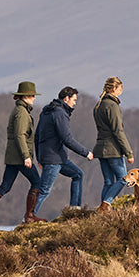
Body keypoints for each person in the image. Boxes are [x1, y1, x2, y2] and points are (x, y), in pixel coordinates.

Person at [0, 81, 44, 229]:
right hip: (19, 156)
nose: (34, 98)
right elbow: (19, 135)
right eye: (32, 95)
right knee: (37, 182)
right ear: (25, 96)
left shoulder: (19, 110)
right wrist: (26, 156)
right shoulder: (22, 113)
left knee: (5, 186)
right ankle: (29, 217)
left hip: (13, 156)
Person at [34, 86, 94, 217]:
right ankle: (27, 217)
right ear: (66, 98)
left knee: (78, 175)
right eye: (74, 100)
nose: (75, 103)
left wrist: (39, 157)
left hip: (58, 158)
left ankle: (74, 211)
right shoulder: (60, 113)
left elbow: (37, 136)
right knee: (44, 190)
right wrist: (86, 153)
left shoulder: (47, 111)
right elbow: (67, 139)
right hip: (53, 158)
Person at [92, 76, 134, 211]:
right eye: (120, 89)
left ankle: (102, 211)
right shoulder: (112, 106)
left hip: (100, 148)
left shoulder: (98, 106)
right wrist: (128, 152)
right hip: (113, 149)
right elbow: (118, 131)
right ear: (114, 89)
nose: (120, 92)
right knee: (124, 178)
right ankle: (105, 204)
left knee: (108, 182)